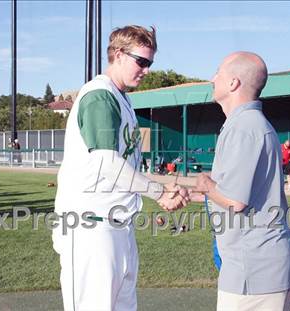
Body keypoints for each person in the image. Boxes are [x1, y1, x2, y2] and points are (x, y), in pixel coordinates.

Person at [52, 25, 188, 311]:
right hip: (91, 228)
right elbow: (107, 165)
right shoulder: (100, 96)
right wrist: (159, 192)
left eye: (150, 63)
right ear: (117, 54)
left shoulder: (121, 98)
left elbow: (125, 166)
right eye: (142, 61)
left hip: (118, 227)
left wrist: (163, 187)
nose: (147, 69)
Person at [191, 52, 290, 311]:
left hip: (253, 269)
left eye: (218, 72)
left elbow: (234, 201)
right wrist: (195, 194)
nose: (212, 78)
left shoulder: (244, 127)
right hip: (263, 264)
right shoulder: (248, 123)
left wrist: (205, 184)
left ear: (233, 83)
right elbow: (246, 192)